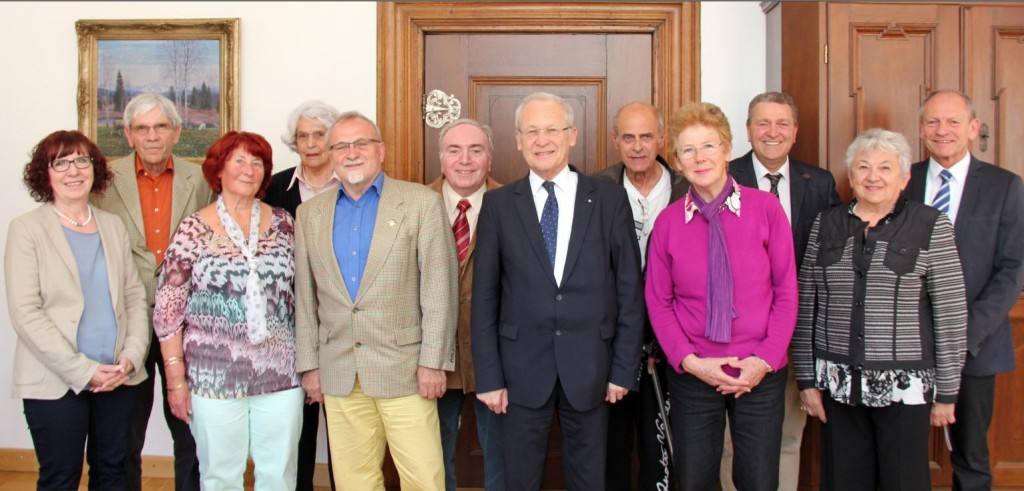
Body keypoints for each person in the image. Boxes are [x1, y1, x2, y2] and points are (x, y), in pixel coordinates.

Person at [472, 91, 645, 490]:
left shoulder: (607, 198)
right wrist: (489, 377)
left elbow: (628, 292)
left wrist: (623, 368)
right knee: (520, 479)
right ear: (517, 139)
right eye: (531, 131)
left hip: (592, 368)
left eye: (552, 129)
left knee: (589, 478)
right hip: (518, 372)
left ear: (572, 135)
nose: (541, 139)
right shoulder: (497, 205)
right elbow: (484, 300)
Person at [795, 128, 968, 490]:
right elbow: (805, 304)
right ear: (851, 176)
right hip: (839, 385)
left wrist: (948, 393)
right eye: (863, 167)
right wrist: (807, 382)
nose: (873, 177)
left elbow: (950, 313)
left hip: (906, 387)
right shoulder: (826, 224)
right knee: (843, 481)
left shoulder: (930, 226)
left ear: (904, 177)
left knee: (903, 481)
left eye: (885, 168)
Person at [294, 111, 458, 491]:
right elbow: (304, 298)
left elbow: (439, 292)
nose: (351, 153)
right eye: (341, 146)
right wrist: (309, 366)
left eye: (361, 143)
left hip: (405, 371)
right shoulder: (309, 215)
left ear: (380, 150)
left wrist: (433, 363)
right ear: (330, 155)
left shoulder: (420, 203)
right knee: (354, 481)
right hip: (339, 371)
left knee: (423, 479)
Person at [645, 101, 796, 491]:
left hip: (759, 373)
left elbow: (786, 292)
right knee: (695, 480)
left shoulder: (767, 209)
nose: (700, 158)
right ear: (677, 161)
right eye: (688, 150)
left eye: (709, 146)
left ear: (728, 149)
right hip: (694, 374)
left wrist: (761, 362)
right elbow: (659, 302)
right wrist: (693, 363)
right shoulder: (667, 224)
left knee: (758, 481)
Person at [153, 130, 303, 490]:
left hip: (280, 373)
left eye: (258, 162)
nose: (249, 169)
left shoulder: (284, 224)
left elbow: (304, 294)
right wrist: (176, 381)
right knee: (220, 475)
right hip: (213, 376)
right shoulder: (194, 227)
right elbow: (168, 312)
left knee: (279, 474)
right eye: (239, 160)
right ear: (218, 170)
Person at [5, 130, 150, 489]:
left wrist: (131, 358)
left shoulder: (112, 226)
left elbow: (134, 296)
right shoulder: (26, 230)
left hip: (119, 376)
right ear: (46, 173)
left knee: (114, 474)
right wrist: (83, 370)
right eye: (61, 162)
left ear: (94, 169)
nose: (73, 171)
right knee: (61, 477)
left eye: (82, 161)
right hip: (54, 380)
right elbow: (26, 313)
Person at [91, 92, 211, 491]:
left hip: (188, 319)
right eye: (142, 128)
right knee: (122, 433)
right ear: (128, 135)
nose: (152, 136)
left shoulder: (201, 180)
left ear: (176, 132)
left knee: (190, 428)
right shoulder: (103, 180)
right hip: (127, 319)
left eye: (161, 126)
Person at [723, 91, 842, 491]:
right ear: (747, 130)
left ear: (795, 131)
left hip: (799, 331)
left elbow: (831, 257)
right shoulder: (724, 175)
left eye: (782, 124)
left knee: (789, 436)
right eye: (763, 123)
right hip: (739, 334)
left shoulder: (819, 181)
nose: (772, 132)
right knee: (731, 443)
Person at [906, 90, 1024, 490]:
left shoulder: (1005, 186)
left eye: (954, 122)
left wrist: (964, 336)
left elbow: (1012, 270)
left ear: (973, 128)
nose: (943, 131)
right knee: (901, 455)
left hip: (976, 346)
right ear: (921, 129)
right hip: (906, 346)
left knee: (971, 457)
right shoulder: (901, 179)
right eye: (934, 122)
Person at [594, 101, 687, 490]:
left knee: (661, 451)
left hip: (674, 348)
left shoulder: (688, 189)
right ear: (615, 141)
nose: (637, 147)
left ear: (662, 139)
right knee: (610, 450)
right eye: (628, 137)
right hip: (610, 347)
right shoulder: (595, 189)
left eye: (646, 136)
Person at [263, 99, 341, 491]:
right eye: (302, 136)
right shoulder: (275, 187)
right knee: (297, 429)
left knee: (346, 430)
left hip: (343, 321)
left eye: (319, 135)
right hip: (289, 323)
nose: (311, 144)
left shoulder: (353, 183)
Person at [427, 118, 505, 491]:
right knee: (431, 458)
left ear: (490, 158)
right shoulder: (414, 204)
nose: (465, 160)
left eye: (476, 150)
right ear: (441, 159)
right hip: (430, 357)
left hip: (498, 358)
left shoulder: (513, 203)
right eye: (454, 150)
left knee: (503, 456)